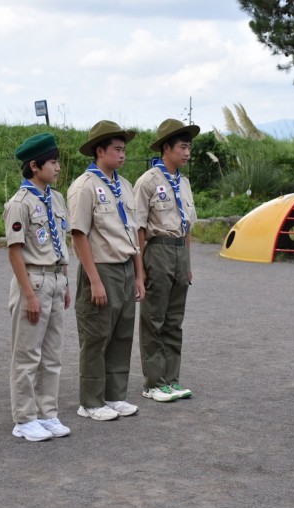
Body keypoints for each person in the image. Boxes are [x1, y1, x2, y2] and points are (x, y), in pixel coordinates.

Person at [67, 120, 145, 421]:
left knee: (122, 335)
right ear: (99, 151)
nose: (122, 154)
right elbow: (79, 234)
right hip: (101, 268)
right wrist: (94, 280)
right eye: (117, 149)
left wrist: (139, 275)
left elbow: (132, 232)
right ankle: (90, 401)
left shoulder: (124, 185)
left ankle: (114, 395)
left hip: (125, 267)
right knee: (96, 336)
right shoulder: (84, 186)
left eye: (124, 149)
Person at [4, 133, 72, 442]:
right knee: (27, 355)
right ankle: (24, 418)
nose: (57, 167)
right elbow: (15, 252)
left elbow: (62, 242)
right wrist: (28, 295)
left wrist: (66, 281)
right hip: (33, 281)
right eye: (52, 162)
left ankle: (48, 413)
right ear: (34, 166)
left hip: (56, 279)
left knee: (52, 354)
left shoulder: (56, 199)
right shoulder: (20, 204)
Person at [133, 119, 199, 402]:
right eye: (182, 147)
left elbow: (187, 226)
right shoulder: (148, 182)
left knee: (174, 320)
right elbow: (138, 228)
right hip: (158, 250)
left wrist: (188, 264)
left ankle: (171, 379)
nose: (187, 153)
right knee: (154, 319)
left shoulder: (184, 183)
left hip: (179, 251)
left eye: (189, 147)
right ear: (166, 148)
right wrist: (139, 271)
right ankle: (153, 383)